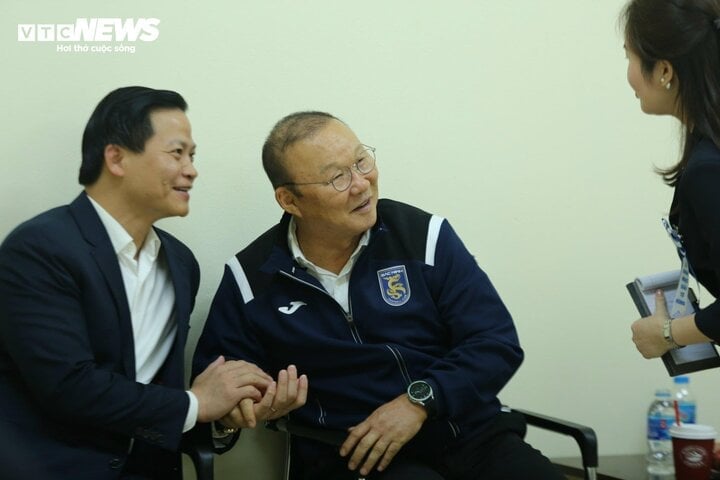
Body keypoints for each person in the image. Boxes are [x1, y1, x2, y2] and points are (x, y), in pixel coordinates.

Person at [192, 111, 564, 479]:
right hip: (355, 453)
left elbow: (494, 342)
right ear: (290, 200)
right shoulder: (251, 278)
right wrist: (242, 410)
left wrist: (419, 402)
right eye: (337, 177)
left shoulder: (424, 237)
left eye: (361, 161)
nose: (361, 184)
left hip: (468, 433)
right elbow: (220, 387)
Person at [0, 86, 273, 480]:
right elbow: (67, 388)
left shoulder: (180, 263)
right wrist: (196, 404)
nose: (192, 169)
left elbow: (157, 393)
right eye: (176, 153)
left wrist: (228, 410)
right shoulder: (39, 249)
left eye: (192, 156)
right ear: (117, 157)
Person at [622, 1, 720, 359]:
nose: (629, 75)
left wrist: (668, 333)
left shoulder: (709, 170)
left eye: (628, 57)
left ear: (664, 70)